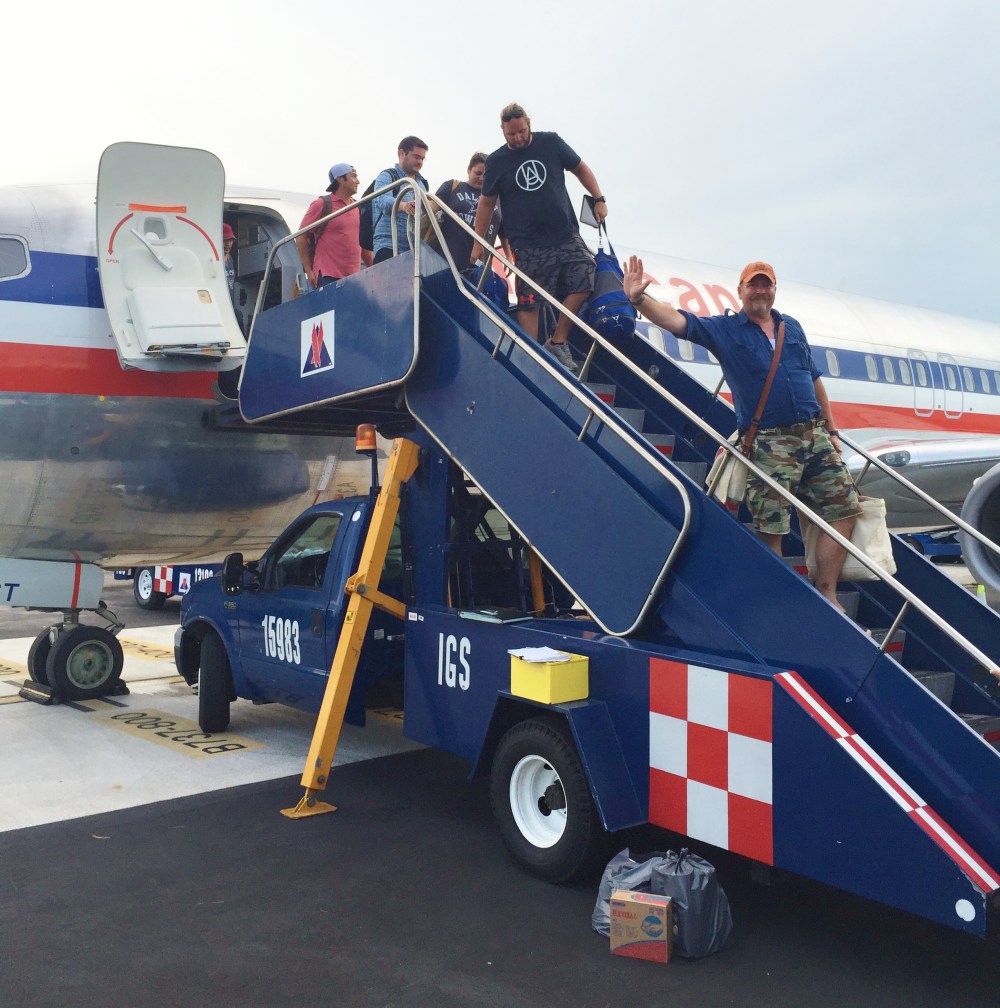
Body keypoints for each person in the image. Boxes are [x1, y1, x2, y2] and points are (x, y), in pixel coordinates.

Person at [622, 257, 862, 609]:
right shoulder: (726, 330)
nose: (760, 290)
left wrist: (833, 429)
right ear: (741, 291)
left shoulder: (790, 328)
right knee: (772, 526)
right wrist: (639, 300)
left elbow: (814, 379)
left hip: (815, 436)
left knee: (845, 509)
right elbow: (677, 322)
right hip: (769, 441)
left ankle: (826, 592)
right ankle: (779, 602)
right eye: (753, 284)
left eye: (766, 284)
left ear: (774, 290)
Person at [471, 102, 607, 373]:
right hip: (527, 243)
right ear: (503, 131)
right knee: (529, 299)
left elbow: (581, 168)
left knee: (585, 277)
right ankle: (530, 356)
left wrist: (599, 198)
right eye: (511, 134)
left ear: (529, 123)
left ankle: (558, 340)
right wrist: (478, 243)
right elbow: (486, 204)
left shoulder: (551, 143)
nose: (518, 138)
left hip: (565, 235)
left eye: (522, 131)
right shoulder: (497, 162)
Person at [429, 152, 511, 269]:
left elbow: (503, 232)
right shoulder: (453, 186)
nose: (482, 178)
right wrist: (421, 202)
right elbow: (433, 206)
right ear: (469, 170)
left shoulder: (497, 199)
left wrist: (508, 257)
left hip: (480, 266)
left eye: (486, 175)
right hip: (447, 261)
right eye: (478, 173)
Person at [295, 163, 363, 288]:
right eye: (353, 176)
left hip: (355, 277)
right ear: (340, 179)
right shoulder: (321, 204)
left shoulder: (358, 207)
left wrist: (372, 268)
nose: (358, 181)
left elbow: (363, 242)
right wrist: (309, 271)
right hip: (327, 275)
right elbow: (301, 237)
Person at [372, 136, 429, 264]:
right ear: (401, 153)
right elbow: (382, 200)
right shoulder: (387, 176)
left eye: (422, 158)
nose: (420, 161)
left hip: (414, 250)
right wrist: (403, 206)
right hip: (388, 245)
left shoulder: (422, 184)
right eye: (416, 157)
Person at [222, 222, 236, 294]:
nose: (228, 243)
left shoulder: (230, 259)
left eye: (231, 240)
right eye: (225, 240)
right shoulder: (214, 260)